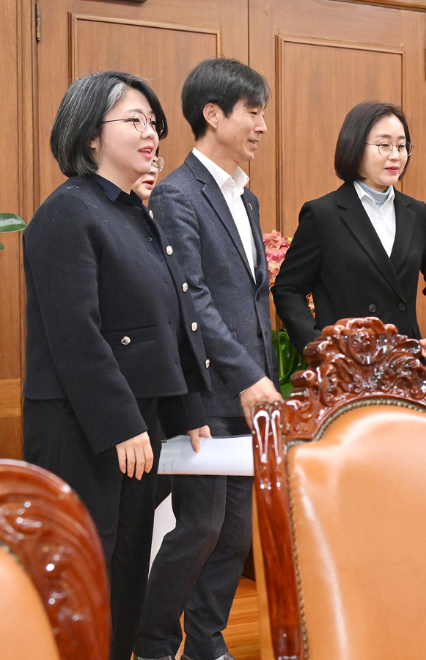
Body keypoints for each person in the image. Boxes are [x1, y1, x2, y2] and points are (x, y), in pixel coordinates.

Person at [21, 70, 211, 660]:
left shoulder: (135, 213)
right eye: (134, 120)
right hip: (83, 426)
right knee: (83, 572)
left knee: (127, 566)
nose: (151, 132)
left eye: (153, 122)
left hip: (136, 424)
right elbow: (76, 334)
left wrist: (185, 412)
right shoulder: (66, 213)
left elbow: (164, 326)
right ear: (90, 136)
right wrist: (123, 423)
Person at [135, 58, 281, 660]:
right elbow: (190, 296)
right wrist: (247, 374)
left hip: (247, 392)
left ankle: (206, 642)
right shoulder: (177, 194)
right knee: (201, 524)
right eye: (253, 111)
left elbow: (249, 298)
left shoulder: (243, 199)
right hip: (204, 391)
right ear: (213, 114)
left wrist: (265, 375)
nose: (262, 126)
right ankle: (151, 640)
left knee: (232, 532)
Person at [272, 100, 426, 359]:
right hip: (346, 367)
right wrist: (318, 346)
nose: (395, 155)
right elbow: (288, 289)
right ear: (355, 147)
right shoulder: (322, 214)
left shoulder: (415, 212)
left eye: (402, 146)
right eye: (384, 145)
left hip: (405, 363)